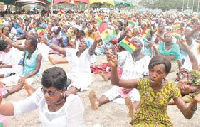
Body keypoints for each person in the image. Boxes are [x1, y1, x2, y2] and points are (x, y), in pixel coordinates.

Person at [108, 54, 199, 126]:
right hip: (141, 120)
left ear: (166, 74)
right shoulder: (142, 83)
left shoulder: (171, 88)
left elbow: (187, 115)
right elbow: (116, 82)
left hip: (161, 122)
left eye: (159, 72)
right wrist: (114, 67)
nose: (153, 75)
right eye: (151, 70)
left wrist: (194, 102)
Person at [0, 67, 84, 127]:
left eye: (51, 92)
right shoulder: (41, 94)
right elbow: (19, 107)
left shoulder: (72, 103)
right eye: (44, 90)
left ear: (62, 90)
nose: (46, 95)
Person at [89, 38, 150, 117]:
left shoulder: (147, 59)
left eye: (136, 42)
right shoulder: (126, 54)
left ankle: (133, 110)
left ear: (142, 46)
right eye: (132, 42)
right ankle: (97, 102)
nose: (134, 43)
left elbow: (146, 77)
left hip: (136, 85)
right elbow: (115, 58)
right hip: (122, 83)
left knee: (138, 95)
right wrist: (111, 52)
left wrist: (132, 85)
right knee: (112, 91)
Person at [0, 32, 42, 97]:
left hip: (33, 76)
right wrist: (2, 35)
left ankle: (8, 92)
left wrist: (25, 77)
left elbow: (36, 70)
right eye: (24, 44)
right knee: (3, 81)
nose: (24, 46)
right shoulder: (26, 50)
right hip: (22, 73)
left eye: (26, 45)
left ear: (32, 46)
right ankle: (4, 91)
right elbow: (14, 45)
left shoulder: (38, 55)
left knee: (21, 83)